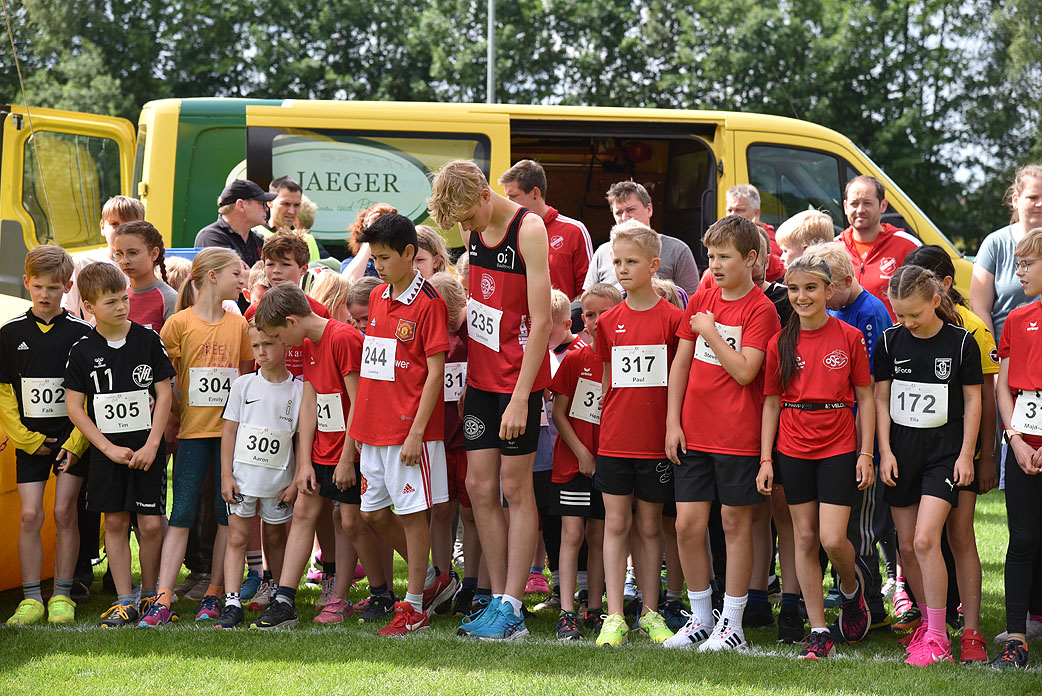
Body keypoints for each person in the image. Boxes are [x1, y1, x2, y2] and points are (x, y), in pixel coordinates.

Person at [427, 159, 552, 641]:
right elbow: (480, 306)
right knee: (479, 486)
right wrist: (469, 382)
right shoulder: (471, 226)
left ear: (484, 194)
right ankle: (496, 598)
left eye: (468, 217)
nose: (466, 227)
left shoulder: (529, 229)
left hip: (518, 383)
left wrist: (521, 397)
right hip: (480, 381)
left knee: (515, 488)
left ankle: (513, 607)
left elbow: (541, 321)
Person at [664, 215, 781, 652]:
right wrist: (672, 422)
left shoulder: (762, 309)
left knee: (735, 524)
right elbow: (681, 363)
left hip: (737, 436)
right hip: (693, 433)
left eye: (724, 257)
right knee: (687, 526)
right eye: (710, 256)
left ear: (751, 259)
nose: (714, 265)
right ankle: (700, 618)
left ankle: (732, 625)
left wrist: (710, 331)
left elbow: (746, 371)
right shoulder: (702, 296)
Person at [250, 283, 390, 629]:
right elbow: (310, 403)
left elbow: (359, 402)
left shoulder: (342, 338)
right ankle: (284, 600)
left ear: (292, 321)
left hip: (349, 451)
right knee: (304, 512)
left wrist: (346, 459)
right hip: (321, 451)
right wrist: (304, 462)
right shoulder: (309, 343)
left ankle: (382, 592)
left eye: (278, 336)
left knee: (352, 522)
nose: (282, 344)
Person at [758, 254, 875, 660]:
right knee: (804, 537)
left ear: (829, 290)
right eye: (794, 289)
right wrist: (766, 459)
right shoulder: (780, 342)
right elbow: (771, 402)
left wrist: (866, 452)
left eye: (810, 288)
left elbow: (866, 398)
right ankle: (819, 629)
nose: (801, 296)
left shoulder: (850, 337)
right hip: (792, 447)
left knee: (832, 539)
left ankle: (851, 589)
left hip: (839, 445)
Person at [349, 213, 455, 635]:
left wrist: (416, 433)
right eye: (373, 258)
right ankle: (431, 580)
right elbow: (374, 368)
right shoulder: (377, 297)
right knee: (372, 513)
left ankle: (414, 607)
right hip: (373, 430)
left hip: (410, 432)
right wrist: (360, 427)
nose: (377, 266)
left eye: (385, 258)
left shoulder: (429, 303)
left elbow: (435, 372)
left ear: (410, 253)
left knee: (413, 516)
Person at [138, 248, 254, 627]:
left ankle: (214, 592)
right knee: (182, 512)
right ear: (212, 277)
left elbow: (244, 380)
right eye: (236, 274)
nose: (242, 280)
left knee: (225, 513)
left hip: (229, 438)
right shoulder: (177, 325)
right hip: (192, 434)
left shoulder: (239, 326)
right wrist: (177, 414)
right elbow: (164, 382)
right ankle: (163, 596)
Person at [875, 265, 982, 667]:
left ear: (936, 301)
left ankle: (941, 638)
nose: (907, 322)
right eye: (899, 314)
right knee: (906, 545)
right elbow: (881, 399)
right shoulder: (889, 341)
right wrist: (884, 451)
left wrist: (966, 454)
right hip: (902, 455)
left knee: (924, 540)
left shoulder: (961, 342)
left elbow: (973, 400)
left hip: (944, 455)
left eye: (914, 314)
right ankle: (927, 625)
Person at [64, 261, 175, 626]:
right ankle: (124, 599)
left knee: (152, 525)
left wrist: (153, 444)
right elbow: (75, 408)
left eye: (123, 298)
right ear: (89, 307)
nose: (121, 306)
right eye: (110, 302)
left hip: (146, 450)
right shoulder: (82, 350)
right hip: (107, 455)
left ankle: (151, 595)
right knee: (114, 522)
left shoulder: (148, 340)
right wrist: (107, 448)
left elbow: (164, 394)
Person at [903, 245, 997, 663]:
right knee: (918, 541)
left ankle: (971, 630)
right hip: (916, 452)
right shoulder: (904, 326)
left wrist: (985, 455)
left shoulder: (971, 328)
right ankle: (932, 625)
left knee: (959, 536)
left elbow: (985, 398)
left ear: (941, 285)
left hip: (961, 452)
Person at [589, 221, 682, 647]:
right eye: (617, 262)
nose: (622, 269)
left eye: (631, 262)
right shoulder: (608, 322)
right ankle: (614, 615)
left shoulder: (674, 320)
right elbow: (607, 379)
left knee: (649, 526)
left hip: (655, 442)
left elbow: (679, 380)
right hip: (615, 440)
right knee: (616, 522)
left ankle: (650, 611)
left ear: (654, 265)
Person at [1, 246, 92, 626]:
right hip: (31, 441)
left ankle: (62, 594)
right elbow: (4, 394)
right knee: (29, 514)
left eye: (53, 288)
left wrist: (76, 443)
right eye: (38, 286)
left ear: (67, 287)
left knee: (64, 512)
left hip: (72, 440)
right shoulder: (10, 334)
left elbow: (91, 396)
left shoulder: (83, 335)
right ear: (26, 283)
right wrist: (26, 439)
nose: (44, 294)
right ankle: (31, 598)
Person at [809, 240, 896, 633]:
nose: (823, 297)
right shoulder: (836, 308)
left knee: (861, 528)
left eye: (828, 289)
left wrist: (867, 448)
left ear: (845, 281)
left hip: (862, 440)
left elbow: (873, 388)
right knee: (838, 528)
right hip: (836, 438)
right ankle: (850, 600)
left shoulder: (869, 312)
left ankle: (871, 607)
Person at [214, 323, 301, 629]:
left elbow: (302, 439)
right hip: (242, 479)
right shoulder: (243, 385)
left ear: (285, 344)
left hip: (279, 482)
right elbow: (229, 431)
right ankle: (232, 601)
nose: (261, 352)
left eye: (268, 344)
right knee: (237, 537)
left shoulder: (300, 390)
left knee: (275, 536)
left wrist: (296, 481)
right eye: (256, 346)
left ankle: (279, 595)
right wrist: (226, 475)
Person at [549, 282, 621, 640]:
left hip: (610, 463)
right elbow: (559, 413)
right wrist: (581, 452)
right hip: (574, 465)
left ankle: (595, 608)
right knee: (572, 533)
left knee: (599, 533)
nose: (595, 321)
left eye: (603, 313)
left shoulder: (624, 361)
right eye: (589, 314)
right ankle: (567, 612)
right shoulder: (575, 359)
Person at [992, 226, 1042, 669]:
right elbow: (1003, 387)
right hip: (1023, 445)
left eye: (1027, 264)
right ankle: (1016, 638)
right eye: (1017, 263)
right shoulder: (1016, 319)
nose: (1018, 272)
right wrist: (1015, 439)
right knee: (1023, 537)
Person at [428, 270, 484, 617]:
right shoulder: (430, 327)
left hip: (469, 437)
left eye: (451, 317)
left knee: (471, 510)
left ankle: (473, 584)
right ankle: (443, 579)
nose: (447, 325)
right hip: (439, 435)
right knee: (441, 510)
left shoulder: (475, 330)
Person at [584, 181, 700, 294]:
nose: (624, 217)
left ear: (649, 209)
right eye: (619, 212)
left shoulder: (677, 250)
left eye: (631, 210)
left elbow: (691, 301)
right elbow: (588, 298)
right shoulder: (602, 253)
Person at [500, 159, 593, 300]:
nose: (508, 202)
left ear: (535, 193)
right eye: (507, 196)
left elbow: (587, 291)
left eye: (513, 196)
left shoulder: (574, 231)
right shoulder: (505, 231)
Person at [971, 165, 1042, 341]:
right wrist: (993, 352)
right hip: (1006, 349)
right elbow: (980, 308)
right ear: (1016, 200)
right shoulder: (994, 244)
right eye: (1033, 197)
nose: (1040, 203)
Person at [244, 232, 331, 375]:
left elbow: (325, 360)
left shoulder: (318, 312)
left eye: (285, 264)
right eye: (270, 264)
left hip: (305, 385)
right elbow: (247, 360)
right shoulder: (254, 311)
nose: (276, 270)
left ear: (303, 269)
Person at [838, 176, 921, 320]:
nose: (860, 210)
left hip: (891, 334)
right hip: (844, 334)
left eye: (867, 203)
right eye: (854, 204)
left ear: (883, 205)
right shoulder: (833, 248)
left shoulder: (908, 246)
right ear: (845, 207)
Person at [64, 195, 144, 323]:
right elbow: (68, 311)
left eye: (130, 225)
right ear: (102, 226)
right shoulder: (81, 263)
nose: (121, 230)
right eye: (114, 224)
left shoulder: (148, 266)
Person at [111, 221, 177, 332]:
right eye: (119, 254)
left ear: (154, 254)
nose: (125, 261)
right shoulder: (116, 297)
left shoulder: (170, 299)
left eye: (133, 253)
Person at [194, 179, 274, 268]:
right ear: (241, 205)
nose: (266, 209)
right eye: (261, 203)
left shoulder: (258, 240)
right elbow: (226, 275)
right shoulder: (210, 237)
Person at [725, 184, 785, 281]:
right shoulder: (722, 237)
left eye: (739, 210)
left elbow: (776, 269)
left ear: (756, 213)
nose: (732, 215)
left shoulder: (767, 238)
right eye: (729, 210)